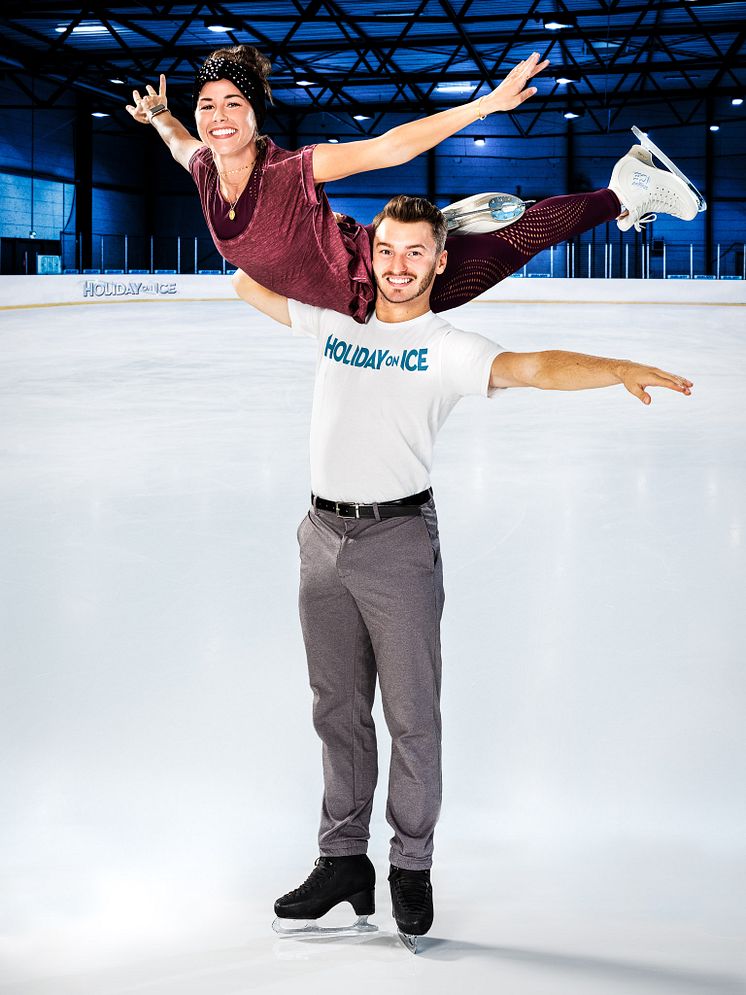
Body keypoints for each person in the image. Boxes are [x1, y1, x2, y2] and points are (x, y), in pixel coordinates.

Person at [229, 194, 693, 950]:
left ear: (442, 260)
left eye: (417, 252)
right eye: (387, 250)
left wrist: (613, 367)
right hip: (320, 535)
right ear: (368, 254)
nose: (399, 266)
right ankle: (344, 858)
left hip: (397, 541)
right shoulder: (336, 316)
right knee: (336, 709)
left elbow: (533, 366)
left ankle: (410, 866)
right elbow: (249, 280)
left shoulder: (448, 345)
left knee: (412, 716)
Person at [125, 45, 701, 324]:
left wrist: (489, 105)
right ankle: (436, 227)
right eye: (207, 105)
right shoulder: (202, 167)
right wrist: (158, 114)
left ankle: (625, 190)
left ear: (256, 114)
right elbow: (177, 140)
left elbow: (389, 148)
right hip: (363, 294)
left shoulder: (289, 171)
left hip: (388, 280)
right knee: (241, 283)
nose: (219, 116)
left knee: (518, 241)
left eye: (234, 103)